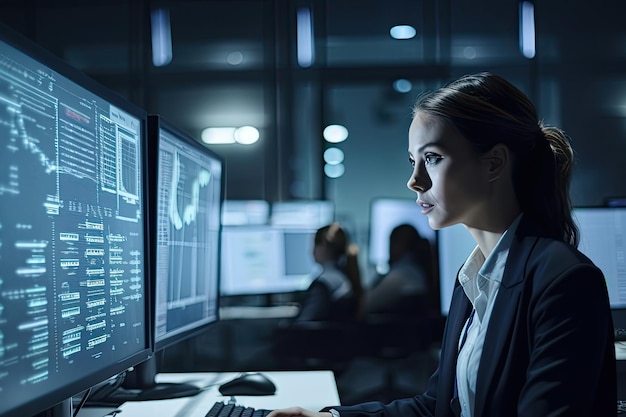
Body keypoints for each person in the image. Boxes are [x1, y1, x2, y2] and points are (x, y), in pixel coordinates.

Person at [267, 72, 616, 416]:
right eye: (413, 161)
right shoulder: (473, 280)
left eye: (432, 158)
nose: (414, 181)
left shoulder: (565, 281)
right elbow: (435, 407)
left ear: (493, 163)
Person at [293, 222, 363, 322]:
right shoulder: (345, 277)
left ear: (323, 246)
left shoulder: (324, 283)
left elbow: (304, 325)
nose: (311, 250)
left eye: (314, 245)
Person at [363, 223, 432, 316]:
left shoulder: (402, 275)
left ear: (401, 244)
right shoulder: (416, 271)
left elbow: (365, 304)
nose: (389, 249)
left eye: (391, 243)